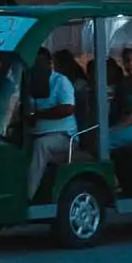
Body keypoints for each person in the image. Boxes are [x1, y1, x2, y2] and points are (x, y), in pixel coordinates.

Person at [28, 54, 79, 200]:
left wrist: (40, 115)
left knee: (41, 146)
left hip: (65, 138)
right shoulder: (30, 81)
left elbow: (68, 108)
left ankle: (27, 196)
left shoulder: (60, 82)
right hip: (34, 132)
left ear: (49, 63)